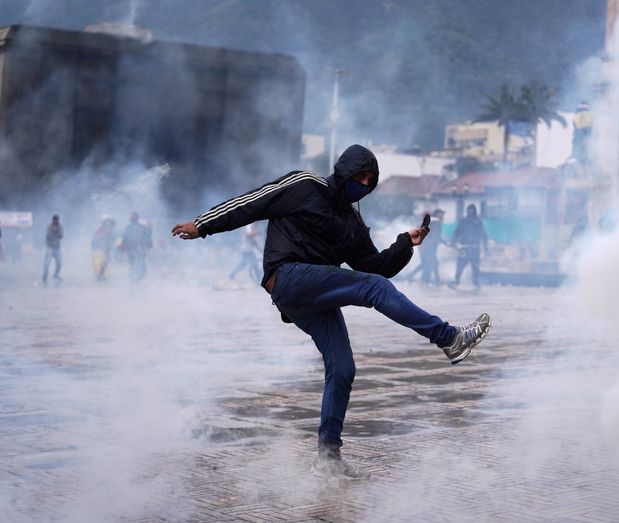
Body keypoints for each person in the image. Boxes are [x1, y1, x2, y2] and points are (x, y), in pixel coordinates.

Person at [172, 144, 491, 479]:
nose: (364, 184)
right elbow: (252, 203)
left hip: (314, 296)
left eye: (371, 180)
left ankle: (328, 458)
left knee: (342, 368)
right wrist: (202, 224)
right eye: (360, 176)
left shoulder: (352, 222)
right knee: (373, 289)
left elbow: (374, 267)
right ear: (344, 170)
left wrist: (403, 244)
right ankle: (449, 338)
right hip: (288, 276)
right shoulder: (305, 185)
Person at [449, 204, 489, 289]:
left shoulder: (478, 221)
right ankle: (456, 281)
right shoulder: (463, 221)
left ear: (475, 211)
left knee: (475, 267)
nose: (470, 212)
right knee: (460, 265)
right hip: (464, 247)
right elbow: (457, 232)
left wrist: (486, 247)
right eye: (469, 210)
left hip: (475, 248)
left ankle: (476, 284)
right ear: (467, 211)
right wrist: (453, 241)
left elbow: (483, 234)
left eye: (472, 210)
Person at [406, 208, 444, 285]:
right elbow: (436, 236)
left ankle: (414, 277)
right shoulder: (435, 222)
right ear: (437, 214)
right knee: (434, 263)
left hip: (427, 247)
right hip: (428, 247)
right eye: (441, 214)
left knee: (426, 264)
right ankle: (436, 281)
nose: (443, 215)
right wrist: (445, 242)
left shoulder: (432, 222)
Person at [121, 211, 153, 284]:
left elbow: (147, 238)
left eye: (133, 216)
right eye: (132, 216)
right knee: (135, 267)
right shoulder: (129, 228)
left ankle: (137, 281)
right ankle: (135, 282)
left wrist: (147, 246)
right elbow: (124, 240)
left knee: (139, 267)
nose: (132, 218)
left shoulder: (138, 228)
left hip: (138, 251)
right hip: (134, 251)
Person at [91, 216, 116, 281]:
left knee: (105, 262)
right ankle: (100, 275)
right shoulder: (104, 229)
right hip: (103, 248)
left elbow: (110, 239)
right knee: (104, 261)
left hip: (105, 248)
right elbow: (101, 238)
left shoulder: (106, 229)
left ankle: (101, 275)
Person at [42, 214, 63, 284]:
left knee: (59, 263)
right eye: (55, 220)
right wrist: (53, 230)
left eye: (57, 220)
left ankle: (56, 275)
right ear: (53, 220)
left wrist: (56, 231)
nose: (56, 221)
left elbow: (61, 236)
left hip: (57, 248)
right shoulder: (49, 226)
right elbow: (48, 236)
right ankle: (44, 276)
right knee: (46, 263)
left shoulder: (60, 227)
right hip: (50, 248)